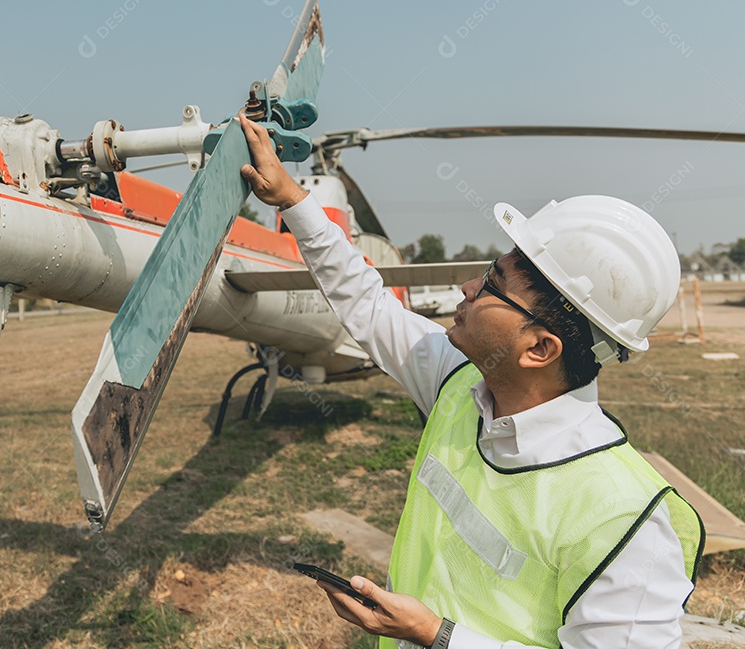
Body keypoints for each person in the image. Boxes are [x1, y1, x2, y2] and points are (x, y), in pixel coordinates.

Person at [237, 116, 704, 649]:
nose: (466, 287)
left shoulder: (625, 521)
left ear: (539, 348)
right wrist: (293, 198)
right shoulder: (459, 384)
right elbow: (365, 303)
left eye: (492, 286)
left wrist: (435, 635)